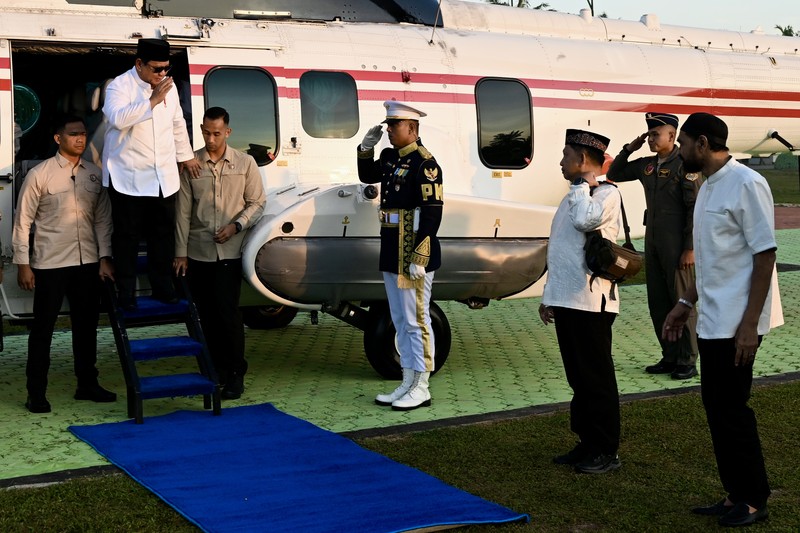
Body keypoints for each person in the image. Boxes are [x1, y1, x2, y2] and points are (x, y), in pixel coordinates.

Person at [663, 113, 783, 528]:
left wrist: (751, 324)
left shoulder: (747, 183)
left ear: (702, 143)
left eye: (682, 143)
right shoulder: (707, 185)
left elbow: (764, 254)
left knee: (732, 409)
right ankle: (735, 494)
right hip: (713, 316)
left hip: (739, 321)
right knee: (717, 408)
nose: (678, 150)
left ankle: (754, 500)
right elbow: (714, 260)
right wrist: (684, 301)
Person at [12, 115, 116, 413]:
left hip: (87, 264)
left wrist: (105, 258)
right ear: (58, 138)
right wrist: (23, 263)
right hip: (50, 264)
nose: (80, 139)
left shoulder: (94, 175)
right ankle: (36, 392)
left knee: (87, 327)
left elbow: (103, 220)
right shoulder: (40, 175)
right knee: (42, 330)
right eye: (73, 134)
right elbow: (22, 223)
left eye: (83, 133)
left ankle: (87, 384)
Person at [538, 129, 623, 474]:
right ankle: (587, 441)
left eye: (566, 155)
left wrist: (581, 186)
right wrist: (549, 297)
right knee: (578, 377)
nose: (561, 162)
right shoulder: (576, 194)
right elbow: (559, 249)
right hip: (568, 298)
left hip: (592, 301)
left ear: (583, 160)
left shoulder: (606, 194)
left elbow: (584, 220)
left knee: (596, 378)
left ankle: (606, 450)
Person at [173, 107, 265, 400]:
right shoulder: (191, 165)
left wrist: (236, 226)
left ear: (228, 132)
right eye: (206, 133)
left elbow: (257, 203)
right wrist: (181, 252)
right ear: (201, 130)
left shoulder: (245, 162)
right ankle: (216, 372)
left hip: (229, 251)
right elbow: (182, 212)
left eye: (216, 133)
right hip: (198, 252)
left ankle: (236, 373)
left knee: (228, 315)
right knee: (206, 316)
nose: (211, 139)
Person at [102, 38, 201, 310]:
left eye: (166, 69)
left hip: (162, 175)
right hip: (128, 176)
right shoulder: (119, 86)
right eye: (156, 69)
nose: (162, 74)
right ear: (139, 64)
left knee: (162, 235)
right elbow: (118, 119)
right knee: (127, 237)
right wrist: (152, 100)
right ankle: (126, 293)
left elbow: (178, 124)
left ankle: (163, 287)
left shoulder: (169, 87)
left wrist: (187, 156)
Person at [357, 100, 443, 411]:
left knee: (416, 320)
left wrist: (420, 255)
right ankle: (407, 380)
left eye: (394, 126)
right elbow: (368, 175)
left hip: (411, 251)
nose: (389, 130)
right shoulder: (391, 157)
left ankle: (422, 384)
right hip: (392, 248)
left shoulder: (425, 164)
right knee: (398, 319)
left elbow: (433, 213)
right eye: (389, 125)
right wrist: (364, 149)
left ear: (412, 128)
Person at [607, 112, 701, 380]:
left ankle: (687, 359)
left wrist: (690, 247)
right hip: (654, 240)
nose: (650, 138)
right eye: (648, 134)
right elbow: (614, 172)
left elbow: (694, 209)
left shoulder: (686, 165)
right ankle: (669, 356)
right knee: (658, 302)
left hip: (677, 243)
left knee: (681, 299)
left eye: (655, 134)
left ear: (672, 136)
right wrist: (629, 148)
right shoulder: (647, 164)